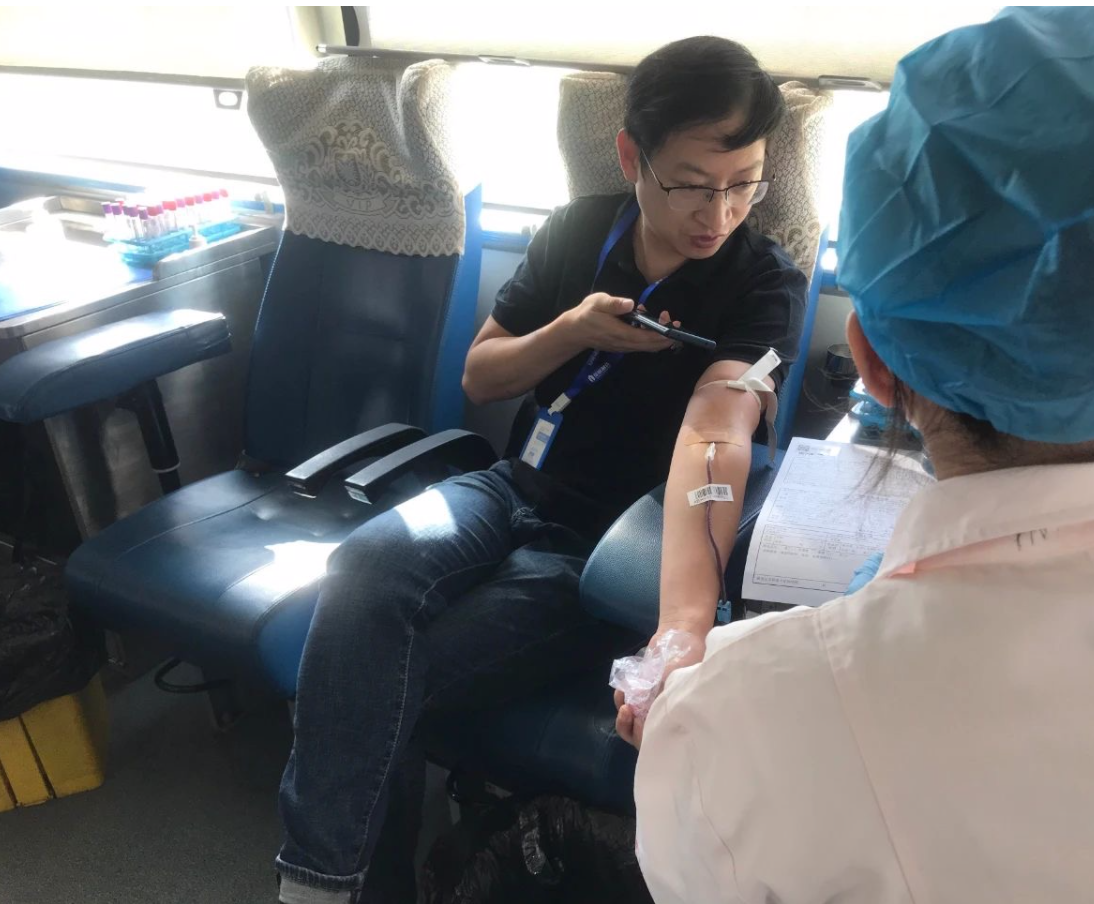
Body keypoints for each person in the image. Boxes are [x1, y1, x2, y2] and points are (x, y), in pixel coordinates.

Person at [631, 7, 1094, 903]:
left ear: (874, 363)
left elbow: (716, 424)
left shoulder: (744, 720)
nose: (718, 210)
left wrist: (691, 639)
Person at [275, 35, 806, 904]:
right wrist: (574, 331)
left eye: (744, 184)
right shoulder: (579, 230)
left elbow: (718, 425)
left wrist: (681, 624)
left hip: (602, 546)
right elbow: (481, 377)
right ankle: (338, 884)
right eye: (691, 184)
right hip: (507, 486)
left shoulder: (763, 284)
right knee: (361, 568)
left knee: (378, 681)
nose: (719, 213)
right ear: (633, 157)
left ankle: (325, 890)